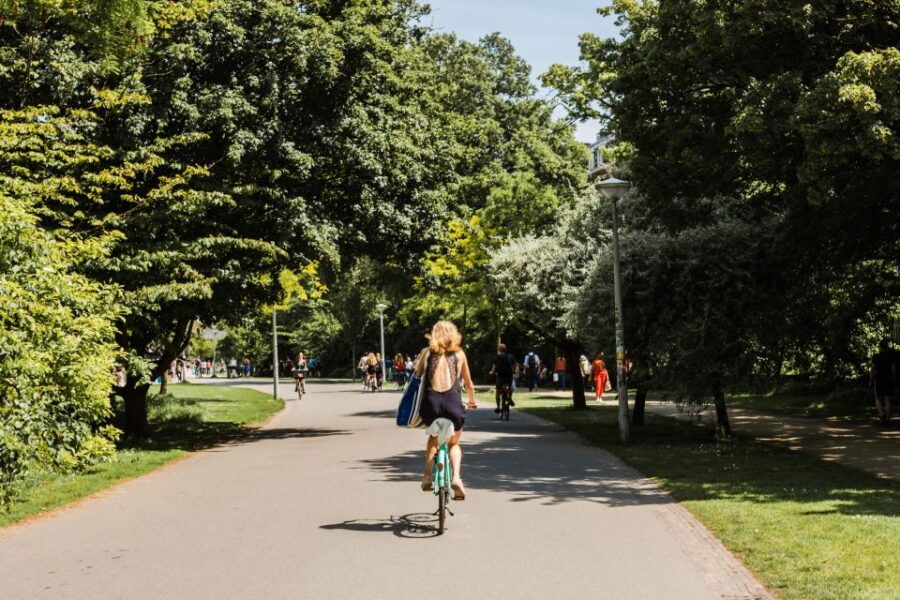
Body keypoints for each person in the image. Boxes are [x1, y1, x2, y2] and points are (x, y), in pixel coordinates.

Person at [413, 321, 478, 500]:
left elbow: (416, 378)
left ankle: (427, 477)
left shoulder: (426, 353)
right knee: (454, 444)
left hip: (431, 404)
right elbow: (469, 384)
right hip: (452, 404)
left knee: (433, 439)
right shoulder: (460, 354)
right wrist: (472, 401)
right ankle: (456, 478)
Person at [871, 338, 897, 426]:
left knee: (878, 398)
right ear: (887, 347)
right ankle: (888, 419)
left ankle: (882, 415)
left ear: (880, 347)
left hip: (878, 380)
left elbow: (872, 370)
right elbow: (893, 369)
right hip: (888, 380)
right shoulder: (891, 357)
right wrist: (893, 380)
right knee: (887, 399)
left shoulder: (876, 357)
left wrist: (871, 380)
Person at [489, 343, 517, 413]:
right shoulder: (510, 356)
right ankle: (509, 399)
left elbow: (493, 369)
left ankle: (498, 407)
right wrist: (513, 371)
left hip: (500, 378)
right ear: (505, 349)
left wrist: (491, 372)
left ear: (499, 349)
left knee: (498, 391)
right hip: (508, 377)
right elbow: (514, 365)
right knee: (509, 388)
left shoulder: (496, 358)